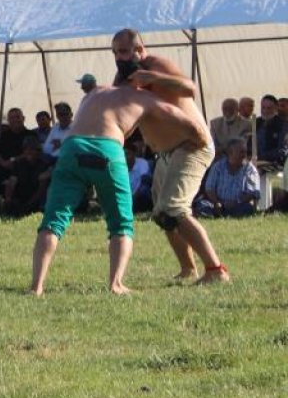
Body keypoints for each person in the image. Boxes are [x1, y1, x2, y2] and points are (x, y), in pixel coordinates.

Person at [29, 81, 208, 296]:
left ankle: (36, 287)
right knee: (121, 222)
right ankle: (116, 284)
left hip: (72, 148)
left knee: (53, 219)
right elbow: (178, 116)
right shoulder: (143, 97)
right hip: (107, 149)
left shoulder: (96, 91)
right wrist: (201, 137)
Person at [112, 28, 230, 284]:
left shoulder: (157, 64)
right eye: (115, 53)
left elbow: (190, 88)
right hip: (165, 153)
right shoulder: (123, 79)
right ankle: (188, 268)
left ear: (140, 50)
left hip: (192, 145)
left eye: (123, 51)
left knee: (173, 209)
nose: (119, 58)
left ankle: (216, 270)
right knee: (161, 214)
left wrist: (152, 77)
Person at [194, 138, 259, 218]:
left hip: (238, 205)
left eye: (245, 152)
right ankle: (215, 214)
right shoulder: (218, 166)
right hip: (218, 204)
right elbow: (209, 188)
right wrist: (217, 202)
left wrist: (237, 202)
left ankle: (222, 215)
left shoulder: (250, 169)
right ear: (230, 153)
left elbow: (252, 193)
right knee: (202, 204)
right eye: (241, 152)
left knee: (247, 207)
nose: (244, 155)